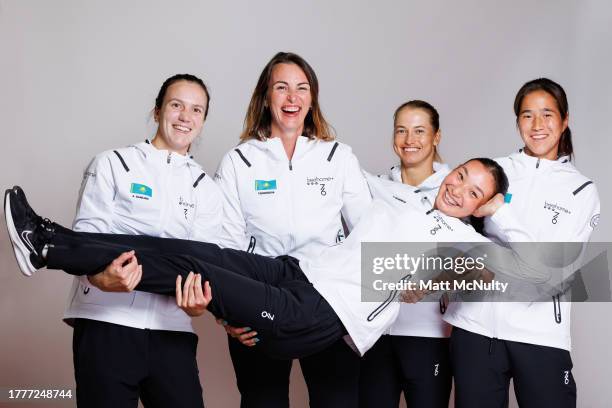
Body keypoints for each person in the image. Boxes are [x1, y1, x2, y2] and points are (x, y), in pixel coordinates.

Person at [5, 158, 512, 362]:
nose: (457, 188)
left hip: (321, 313)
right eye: (461, 174)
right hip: (300, 273)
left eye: (473, 192)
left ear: (480, 205)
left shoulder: (459, 240)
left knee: (195, 273)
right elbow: (349, 177)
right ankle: (52, 239)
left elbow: (539, 270)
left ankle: (49, 251)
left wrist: (493, 213)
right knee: (196, 251)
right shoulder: (408, 202)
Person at [46, 74, 221, 408]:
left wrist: (198, 306)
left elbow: (202, 268)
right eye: (176, 105)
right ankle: (43, 244)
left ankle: (44, 244)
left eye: (196, 110)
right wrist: (100, 278)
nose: (186, 117)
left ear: (203, 120)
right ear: (157, 111)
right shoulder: (113, 164)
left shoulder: (207, 190)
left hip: (172, 331)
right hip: (106, 324)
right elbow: (87, 240)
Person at [213, 51, 371, 407]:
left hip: (328, 298)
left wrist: (360, 304)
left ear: (312, 98)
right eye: (281, 87)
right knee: (262, 400)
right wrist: (227, 312)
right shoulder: (239, 161)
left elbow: (367, 230)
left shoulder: (337, 157)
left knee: (338, 400)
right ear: (265, 97)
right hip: (260, 294)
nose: (292, 97)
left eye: (302, 88)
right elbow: (225, 244)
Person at [444, 78, 601, 408]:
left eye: (547, 114)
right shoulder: (494, 170)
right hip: (474, 327)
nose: (537, 125)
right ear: (517, 121)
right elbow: (458, 238)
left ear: (565, 119)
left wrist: (501, 212)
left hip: (539, 335)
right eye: (527, 115)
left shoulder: (581, 190)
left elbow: (551, 273)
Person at [360, 100, 452, 408]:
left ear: (436, 136)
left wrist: (432, 282)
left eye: (419, 131)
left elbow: (472, 259)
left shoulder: (455, 191)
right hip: (377, 333)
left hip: (430, 334)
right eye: (401, 130)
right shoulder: (372, 188)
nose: (409, 140)